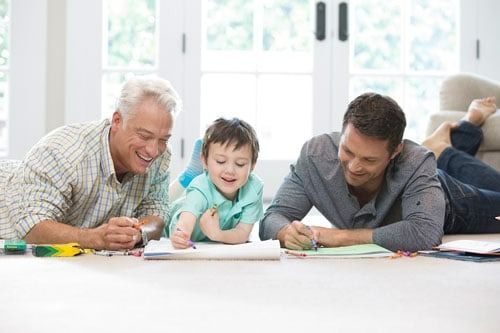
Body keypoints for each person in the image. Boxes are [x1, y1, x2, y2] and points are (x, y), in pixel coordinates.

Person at [259, 93, 500, 252]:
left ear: (395, 151)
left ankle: (445, 150)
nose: (354, 166)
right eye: (348, 151)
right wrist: (284, 231)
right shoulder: (316, 155)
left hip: (449, 200)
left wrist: (339, 237)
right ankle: (456, 137)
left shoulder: (414, 160)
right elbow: (271, 217)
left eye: (369, 159)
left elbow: (425, 233)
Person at [0, 75, 181, 250]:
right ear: (117, 121)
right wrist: (94, 238)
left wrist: (139, 233)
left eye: (163, 139)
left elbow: (157, 212)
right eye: (144, 136)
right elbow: (32, 227)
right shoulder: (63, 152)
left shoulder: (161, 156)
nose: (154, 150)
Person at [167, 117, 263, 249]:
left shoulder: (254, 188)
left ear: (252, 165)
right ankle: (189, 174)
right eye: (220, 161)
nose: (230, 170)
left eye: (240, 164)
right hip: (166, 227)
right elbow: (185, 221)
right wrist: (180, 234)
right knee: (160, 212)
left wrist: (217, 235)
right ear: (204, 161)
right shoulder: (200, 187)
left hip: (212, 238)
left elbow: (243, 233)